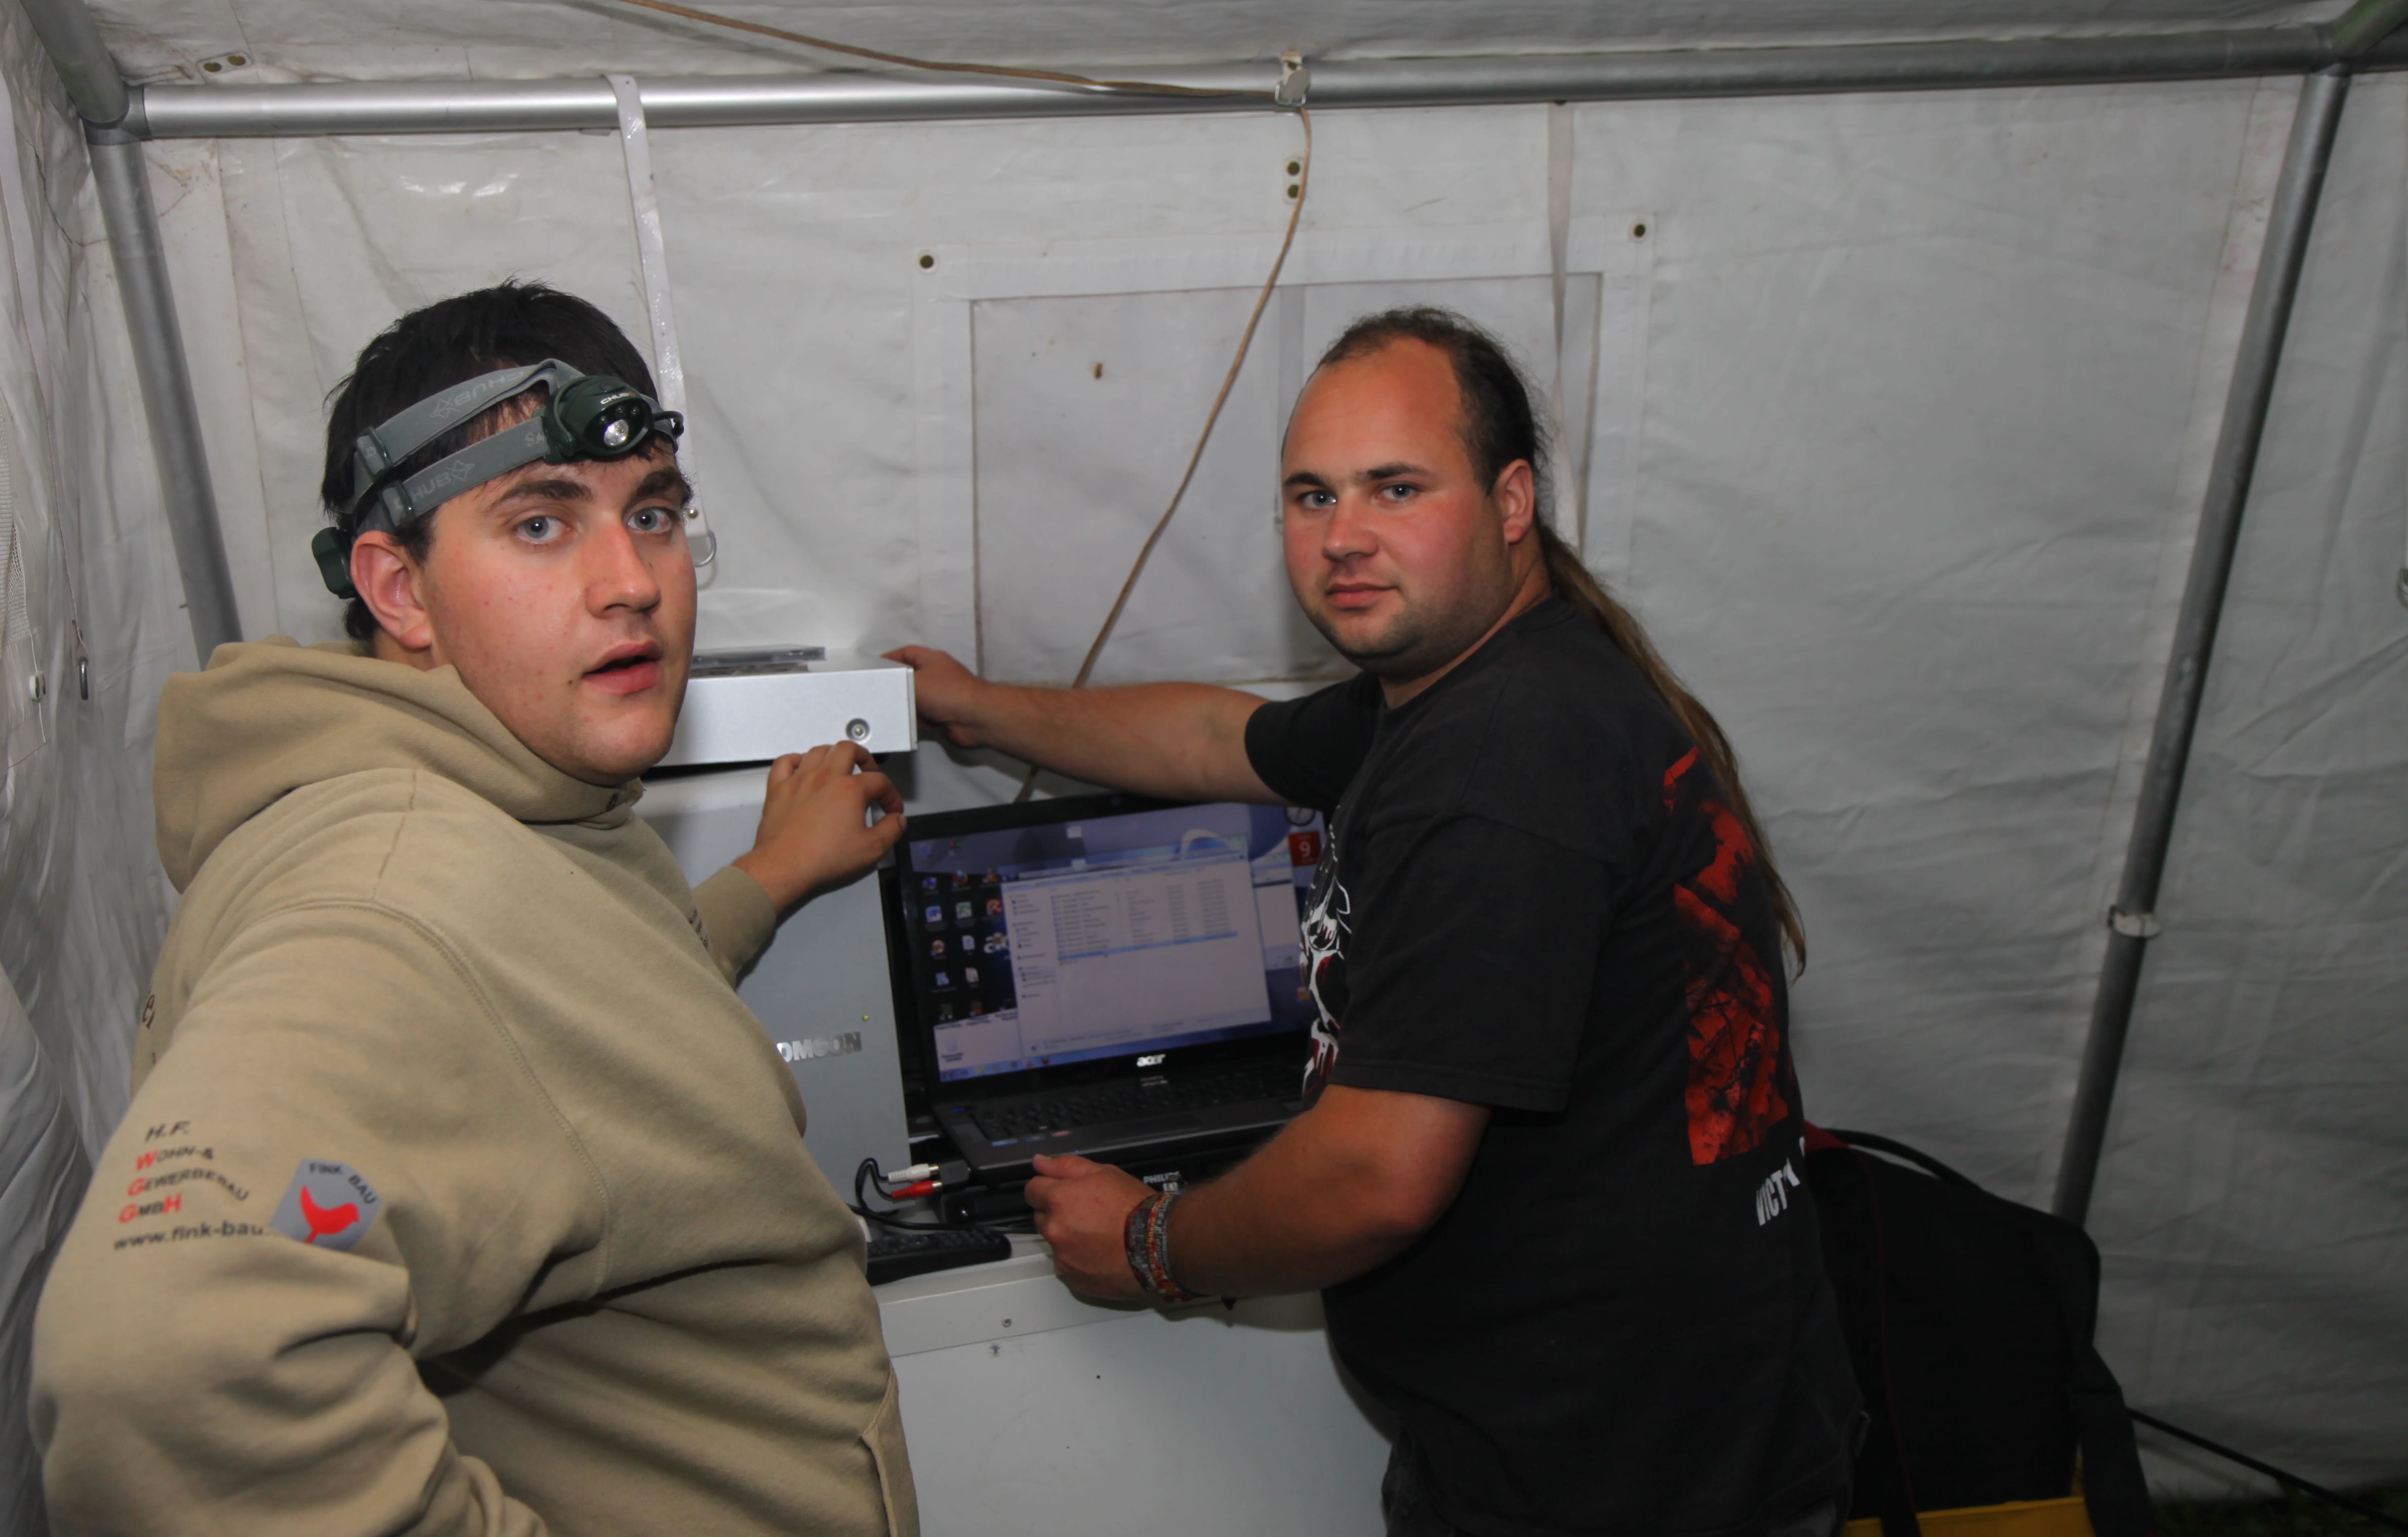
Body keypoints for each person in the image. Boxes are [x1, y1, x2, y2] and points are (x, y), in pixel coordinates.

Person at [889, 307, 1859, 1537]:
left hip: (1615, 1474)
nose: (1343, 536)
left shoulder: (1500, 766)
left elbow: (1377, 1179)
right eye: (1312, 496)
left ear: (1512, 501)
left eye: (1396, 488)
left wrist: (1150, 1241)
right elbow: (1216, 739)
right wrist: (984, 709)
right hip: (1666, 1426)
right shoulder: (1473, 683)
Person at [31, 282, 918, 1536]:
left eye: (653, 514)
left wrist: (764, 880)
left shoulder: (486, 805)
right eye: (540, 525)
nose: (633, 581)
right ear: (399, 590)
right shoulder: (391, 902)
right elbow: (158, 1377)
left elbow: (561, 1022)